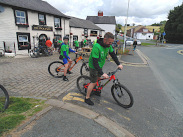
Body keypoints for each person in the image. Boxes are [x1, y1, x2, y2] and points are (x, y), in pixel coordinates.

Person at [85, 32, 123, 105]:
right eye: (109, 42)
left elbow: (113, 55)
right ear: (105, 39)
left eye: (112, 42)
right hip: (93, 66)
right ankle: (87, 97)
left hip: (100, 65)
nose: (110, 44)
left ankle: (96, 90)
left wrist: (118, 64)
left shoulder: (108, 46)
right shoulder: (97, 46)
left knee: (98, 78)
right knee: (93, 82)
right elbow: (95, 62)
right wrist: (102, 73)